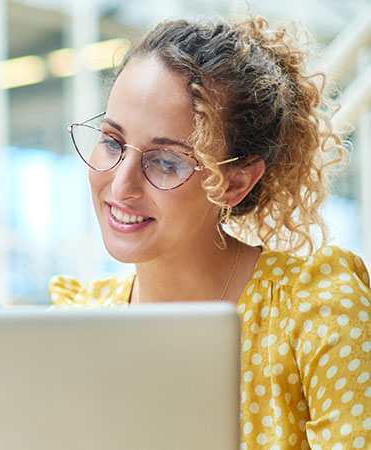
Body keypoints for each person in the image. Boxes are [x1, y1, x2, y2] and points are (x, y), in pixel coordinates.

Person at [48, 16, 371, 449]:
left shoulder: (315, 314)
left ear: (236, 182)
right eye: (112, 141)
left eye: (166, 161)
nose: (121, 185)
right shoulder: (75, 326)